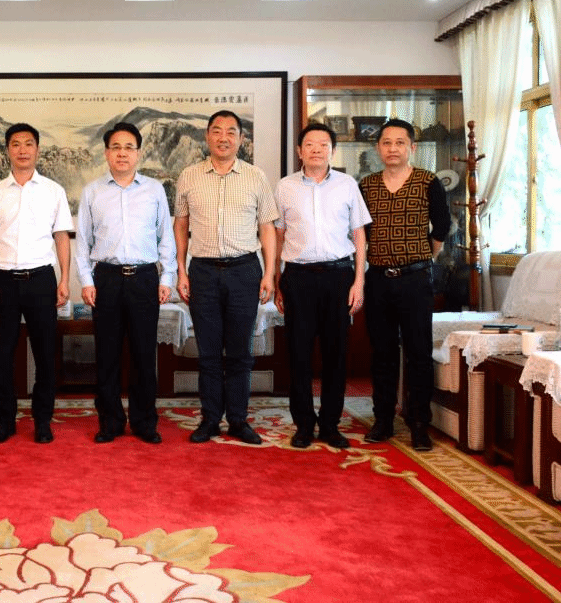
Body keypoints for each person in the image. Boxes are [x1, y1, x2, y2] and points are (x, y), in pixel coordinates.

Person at [174, 110, 278, 445]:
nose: (224, 138)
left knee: (239, 352)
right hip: (203, 271)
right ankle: (209, 420)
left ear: (241, 139)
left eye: (231, 132)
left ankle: (237, 420)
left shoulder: (255, 176)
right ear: (207, 136)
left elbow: (267, 227)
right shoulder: (189, 176)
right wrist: (181, 270)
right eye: (217, 131)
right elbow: (181, 224)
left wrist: (269, 273)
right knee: (207, 352)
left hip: (244, 271)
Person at [75, 122, 176, 444]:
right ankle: (110, 422)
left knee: (144, 354)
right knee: (107, 355)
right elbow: (82, 241)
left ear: (139, 153)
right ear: (106, 153)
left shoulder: (154, 189)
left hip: (145, 277)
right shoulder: (93, 191)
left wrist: (167, 276)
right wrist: (87, 281)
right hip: (106, 278)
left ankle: (145, 422)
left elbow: (166, 236)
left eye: (129, 147)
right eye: (116, 147)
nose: (122, 153)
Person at [0, 123, 73, 444]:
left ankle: (42, 420)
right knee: (2, 356)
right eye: (15, 144)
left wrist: (64, 279)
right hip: (2, 281)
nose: (22, 150)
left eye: (28, 143)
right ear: (7, 150)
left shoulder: (53, 191)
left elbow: (61, 237)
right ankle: (5, 422)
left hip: (41, 279)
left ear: (37, 149)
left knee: (45, 355)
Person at [274, 122, 370, 449]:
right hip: (298, 277)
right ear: (299, 151)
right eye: (310, 144)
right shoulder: (285, 187)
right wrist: (277, 281)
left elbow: (359, 235)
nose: (316, 149)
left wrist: (359, 281)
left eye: (323, 144)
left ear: (332, 150)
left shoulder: (347, 185)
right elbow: (278, 235)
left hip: (338, 276)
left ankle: (330, 424)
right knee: (298, 354)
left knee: (336, 354)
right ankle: (303, 425)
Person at [359, 118, 451, 451]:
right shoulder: (366, 185)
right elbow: (361, 233)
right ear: (378, 148)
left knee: (418, 353)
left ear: (412, 147)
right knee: (382, 353)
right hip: (378, 279)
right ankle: (383, 420)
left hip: (415, 279)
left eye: (400, 142)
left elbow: (441, 227)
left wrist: (422, 258)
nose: (393, 148)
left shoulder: (428, 181)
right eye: (386, 142)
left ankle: (419, 424)